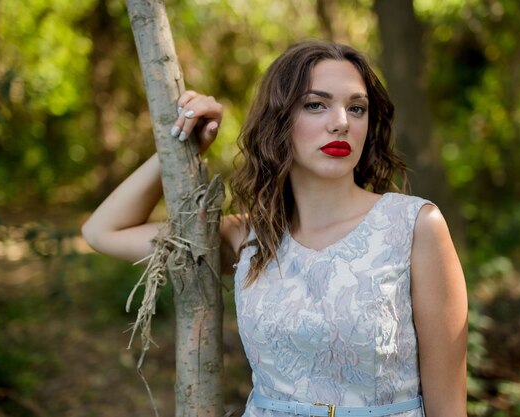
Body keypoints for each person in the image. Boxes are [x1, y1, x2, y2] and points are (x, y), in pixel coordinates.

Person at [82, 40, 468, 417]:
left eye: (357, 108)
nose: (341, 122)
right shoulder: (248, 238)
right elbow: (103, 232)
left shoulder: (413, 226)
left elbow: (449, 410)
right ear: (278, 119)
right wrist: (182, 142)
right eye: (316, 105)